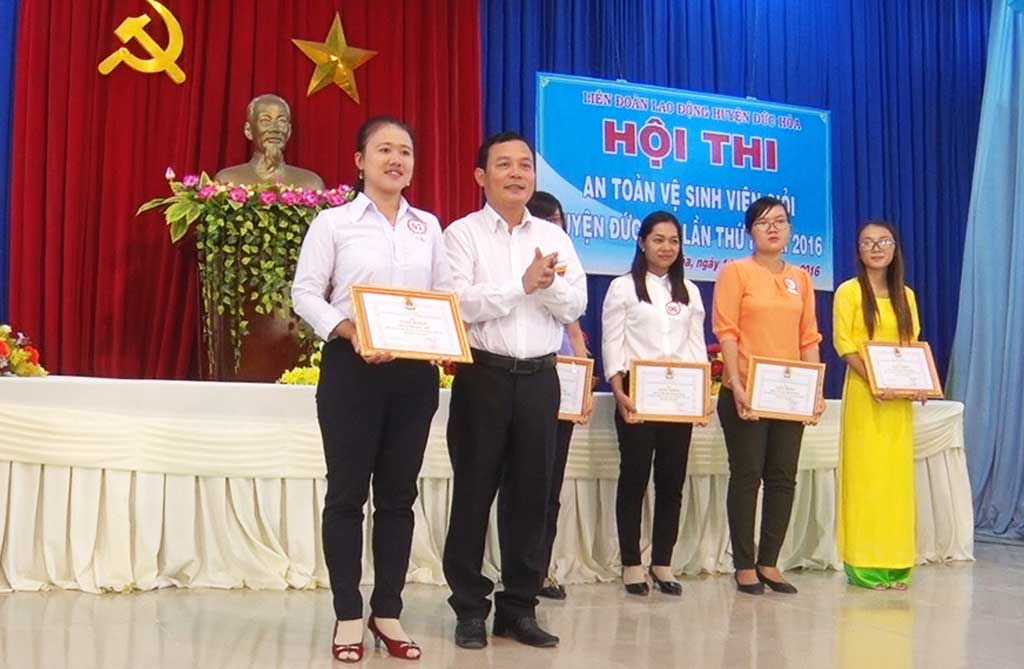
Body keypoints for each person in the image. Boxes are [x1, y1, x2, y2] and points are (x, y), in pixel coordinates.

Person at [292, 116, 449, 662]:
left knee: (399, 498)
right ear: (360, 161)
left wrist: (442, 337)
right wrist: (349, 330)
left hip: (414, 375)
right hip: (351, 369)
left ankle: (388, 611)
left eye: (405, 151)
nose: (396, 160)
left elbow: (443, 296)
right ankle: (347, 614)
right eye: (384, 150)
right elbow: (305, 292)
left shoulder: (428, 227)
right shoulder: (333, 223)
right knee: (346, 495)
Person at [442, 132, 587, 649]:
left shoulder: (552, 237)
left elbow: (574, 306)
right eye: (504, 164)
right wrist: (520, 286)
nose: (517, 173)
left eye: (525, 164)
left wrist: (547, 284)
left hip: (541, 379)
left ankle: (519, 608)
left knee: (531, 496)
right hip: (483, 375)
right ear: (481, 176)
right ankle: (469, 608)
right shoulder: (461, 235)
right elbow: (458, 302)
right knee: (473, 493)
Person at [712, 196, 824, 595]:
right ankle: (744, 564)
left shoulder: (801, 278)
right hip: (746, 392)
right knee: (747, 476)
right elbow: (726, 331)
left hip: (789, 395)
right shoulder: (735, 272)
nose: (773, 228)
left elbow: (808, 337)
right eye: (763, 222)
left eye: (780, 221)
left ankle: (769, 562)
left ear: (790, 228)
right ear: (750, 231)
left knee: (782, 478)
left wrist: (815, 389)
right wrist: (736, 382)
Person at [602, 211, 709, 597]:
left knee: (671, 482)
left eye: (674, 241)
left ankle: (662, 561)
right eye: (659, 239)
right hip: (637, 393)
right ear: (642, 242)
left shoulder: (689, 291)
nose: (667, 247)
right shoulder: (622, 287)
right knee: (634, 479)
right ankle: (632, 563)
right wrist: (618, 391)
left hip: (680, 395)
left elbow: (696, 346)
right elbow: (612, 342)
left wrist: (702, 397)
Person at [834, 220, 926, 590]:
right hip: (865, 395)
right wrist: (875, 380)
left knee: (895, 482)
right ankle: (864, 564)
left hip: (898, 403)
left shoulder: (907, 295)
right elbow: (844, 344)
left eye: (883, 241)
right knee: (866, 479)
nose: (876, 248)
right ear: (858, 250)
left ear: (894, 248)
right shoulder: (849, 292)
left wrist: (918, 383)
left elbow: (912, 346)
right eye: (868, 242)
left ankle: (897, 564)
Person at [520, 190, 589, 601]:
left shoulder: (567, 275)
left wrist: (583, 370)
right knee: (519, 485)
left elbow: (574, 327)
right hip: (522, 378)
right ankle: (515, 569)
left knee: (550, 483)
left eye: (557, 222)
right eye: (544, 221)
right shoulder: (518, 264)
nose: (552, 229)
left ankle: (541, 568)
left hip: (560, 386)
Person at [216, 93, 324, 189]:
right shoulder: (227, 181)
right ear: (248, 130)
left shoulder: (311, 183)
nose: (275, 129)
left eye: (281, 121)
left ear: (289, 131)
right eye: (265, 120)